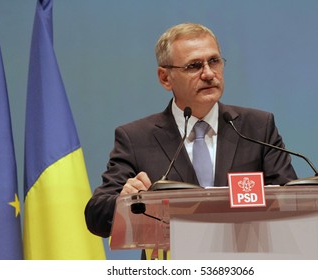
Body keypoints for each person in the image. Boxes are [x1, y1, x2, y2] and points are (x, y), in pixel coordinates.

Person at [84, 23, 297, 238]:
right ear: (165, 78)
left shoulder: (257, 127)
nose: (208, 74)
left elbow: (294, 202)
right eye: (194, 66)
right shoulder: (136, 138)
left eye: (214, 61)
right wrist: (125, 200)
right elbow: (97, 216)